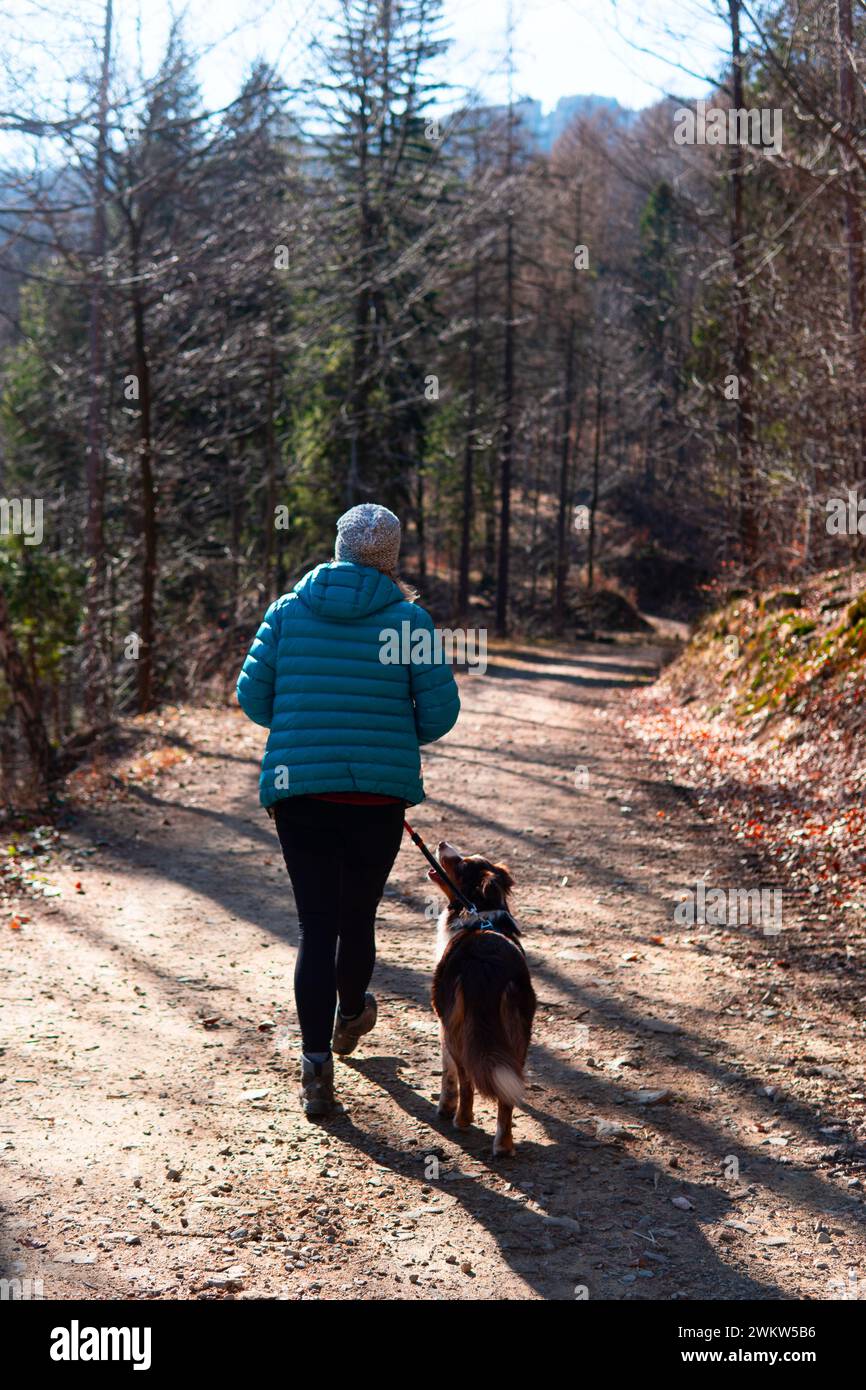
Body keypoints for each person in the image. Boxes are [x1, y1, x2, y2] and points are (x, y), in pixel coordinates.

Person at [237, 503, 460, 1115]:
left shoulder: (287, 611)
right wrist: (387, 732)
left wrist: (304, 722)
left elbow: (253, 698)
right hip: (376, 798)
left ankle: (315, 1064)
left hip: (299, 792)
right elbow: (440, 715)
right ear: (390, 558)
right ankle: (352, 1012)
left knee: (316, 925)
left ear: (337, 548)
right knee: (357, 917)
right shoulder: (408, 622)